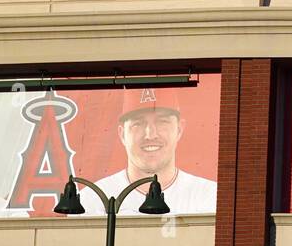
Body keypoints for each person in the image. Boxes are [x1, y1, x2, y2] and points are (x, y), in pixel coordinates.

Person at [79, 88, 217, 215]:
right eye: (138, 123)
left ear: (179, 129)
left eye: (162, 121)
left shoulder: (208, 196)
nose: (150, 135)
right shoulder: (94, 199)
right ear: (122, 134)